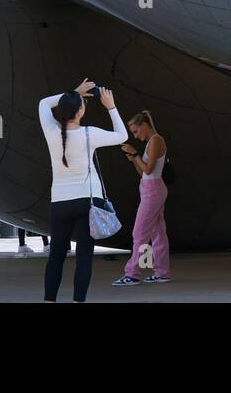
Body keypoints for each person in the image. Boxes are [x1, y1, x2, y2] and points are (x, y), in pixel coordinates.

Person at [38, 81, 127, 303]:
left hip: (60, 201)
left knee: (56, 256)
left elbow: (43, 103)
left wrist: (73, 93)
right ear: (81, 111)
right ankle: (78, 301)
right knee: (84, 257)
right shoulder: (90, 134)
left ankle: (49, 301)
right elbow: (122, 136)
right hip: (88, 202)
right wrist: (111, 107)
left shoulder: (50, 130)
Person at [113, 110, 171, 286]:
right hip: (150, 188)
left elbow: (148, 169)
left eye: (136, 131)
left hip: (153, 190)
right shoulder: (151, 143)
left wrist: (135, 154)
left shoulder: (156, 141)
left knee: (140, 232)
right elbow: (143, 171)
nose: (135, 135)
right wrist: (134, 158)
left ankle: (132, 273)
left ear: (144, 126)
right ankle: (162, 272)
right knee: (157, 233)